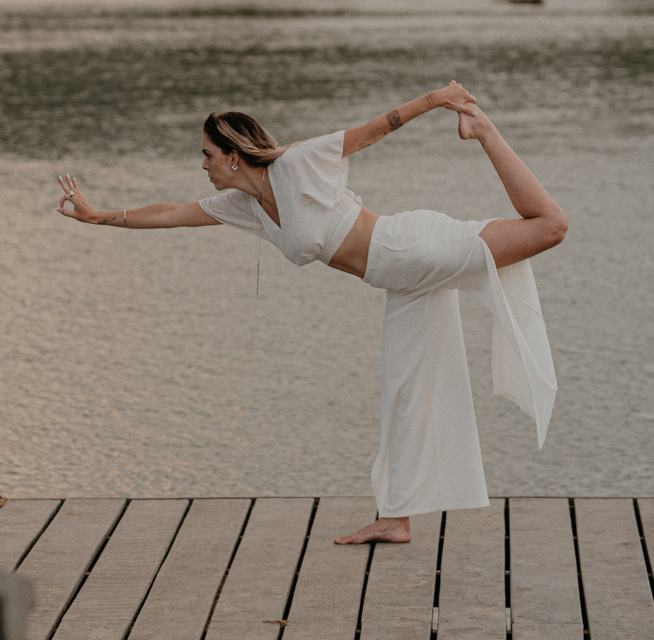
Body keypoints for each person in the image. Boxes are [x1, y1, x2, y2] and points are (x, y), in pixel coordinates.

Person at [57, 82, 566, 544]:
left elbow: (369, 133)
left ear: (234, 156)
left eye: (208, 155)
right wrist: (97, 216)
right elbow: (171, 213)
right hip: (400, 283)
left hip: (411, 249)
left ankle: (483, 130)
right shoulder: (246, 205)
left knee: (549, 226)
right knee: (405, 390)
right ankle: (397, 517)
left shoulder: (297, 165)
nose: (203, 165)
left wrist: (436, 101)